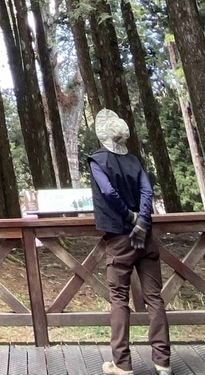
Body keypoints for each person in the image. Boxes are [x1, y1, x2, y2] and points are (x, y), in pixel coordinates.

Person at [88, 109, 171, 375]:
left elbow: (107, 191)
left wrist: (129, 216)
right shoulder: (135, 161)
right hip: (145, 238)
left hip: (119, 237)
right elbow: (147, 190)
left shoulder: (97, 160)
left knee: (119, 299)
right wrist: (143, 220)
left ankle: (122, 364)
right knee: (154, 298)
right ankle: (162, 361)